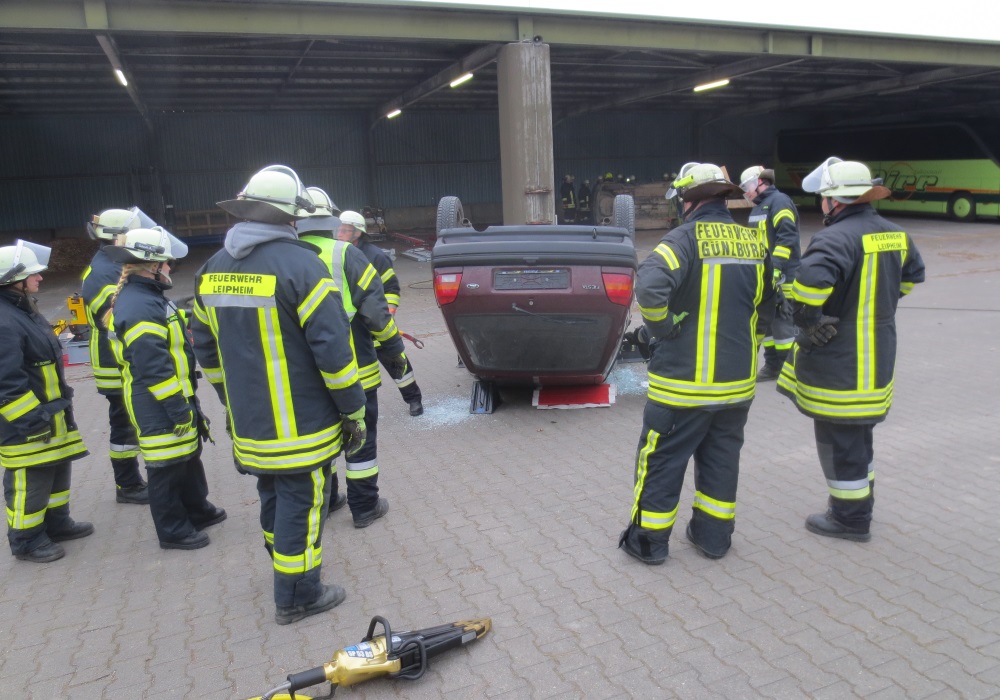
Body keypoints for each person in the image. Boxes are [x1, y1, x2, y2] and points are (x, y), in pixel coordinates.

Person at [190, 164, 367, 625]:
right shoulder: (302, 266)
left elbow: (204, 347)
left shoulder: (212, 269)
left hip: (250, 421)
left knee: (271, 492)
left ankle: (284, 564)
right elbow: (334, 353)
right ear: (293, 215)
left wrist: (228, 397)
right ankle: (298, 595)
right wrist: (353, 408)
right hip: (302, 425)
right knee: (302, 505)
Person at [618, 163, 774, 565]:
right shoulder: (754, 242)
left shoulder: (682, 240)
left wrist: (663, 328)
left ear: (688, 200)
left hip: (682, 388)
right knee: (722, 460)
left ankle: (648, 543)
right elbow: (770, 307)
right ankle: (714, 538)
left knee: (662, 461)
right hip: (737, 386)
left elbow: (650, 286)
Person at [778, 157, 925, 542]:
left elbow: (807, 291)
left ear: (834, 200)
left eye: (823, 198)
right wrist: (877, 303)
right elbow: (911, 278)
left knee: (839, 441)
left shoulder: (833, 239)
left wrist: (810, 321)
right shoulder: (896, 234)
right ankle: (862, 503)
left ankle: (850, 519)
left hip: (840, 362)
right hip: (878, 358)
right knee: (859, 436)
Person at [103, 227, 226, 551]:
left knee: (187, 457)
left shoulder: (147, 297)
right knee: (165, 467)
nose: (171, 267)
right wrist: (177, 408)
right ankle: (173, 530)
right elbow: (153, 368)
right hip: (155, 401)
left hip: (171, 396)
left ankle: (197, 510)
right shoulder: (140, 305)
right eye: (166, 263)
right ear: (151, 265)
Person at [298, 190, 404, 527]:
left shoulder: (284, 257)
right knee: (361, 438)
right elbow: (377, 314)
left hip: (308, 373)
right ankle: (364, 506)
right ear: (331, 219)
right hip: (355, 367)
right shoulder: (347, 254)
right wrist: (394, 349)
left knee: (322, 436)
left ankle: (329, 499)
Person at [1, 240, 93, 563]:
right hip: (28, 424)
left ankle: (56, 523)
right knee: (30, 481)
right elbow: (6, 383)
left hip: (50, 414)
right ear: (13, 280)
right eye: (33, 274)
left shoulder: (21, 309)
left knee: (56, 471)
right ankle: (26, 540)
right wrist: (32, 421)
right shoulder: (4, 320)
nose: (40, 277)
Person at [81, 207, 152, 505]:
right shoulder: (103, 272)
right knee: (124, 425)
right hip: (114, 363)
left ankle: (131, 481)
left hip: (120, 358)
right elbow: (120, 315)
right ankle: (128, 484)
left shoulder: (111, 264)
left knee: (128, 422)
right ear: (118, 237)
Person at [336, 210, 424, 417]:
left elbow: (391, 288)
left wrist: (388, 314)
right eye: (339, 229)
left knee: (397, 363)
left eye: (345, 230)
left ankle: (414, 400)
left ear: (357, 233)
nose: (339, 233)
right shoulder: (336, 254)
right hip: (353, 326)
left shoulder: (376, 256)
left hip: (378, 324)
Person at [740, 166, 801, 381]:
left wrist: (776, 269)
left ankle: (788, 368)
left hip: (783, 276)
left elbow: (787, 237)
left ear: (760, 182)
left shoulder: (779, 201)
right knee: (767, 323)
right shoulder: (759, 208)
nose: (746, 192)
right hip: (765, 276)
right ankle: (773, 365)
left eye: (748, 186)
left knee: (783, 323)